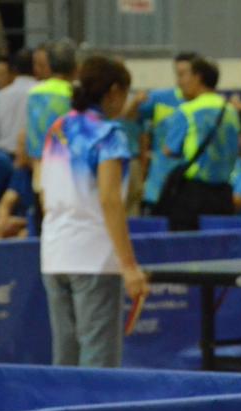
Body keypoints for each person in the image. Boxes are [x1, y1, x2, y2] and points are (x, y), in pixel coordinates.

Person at [40, 55, 150, 367]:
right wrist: (129, 265)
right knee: (98, 362)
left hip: (54, 254)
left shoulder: (58, 128)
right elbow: (110, 199)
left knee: (66, 359)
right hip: (93, 258)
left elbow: (43, 189)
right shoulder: (109, 134)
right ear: (113, 91)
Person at [162, 57, 240, 229]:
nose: (180, 82)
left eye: (184, 75)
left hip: (194, 195)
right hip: (224, 194)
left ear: (198, 77)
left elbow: (169, 150)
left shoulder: (187, 110)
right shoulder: (231, 111)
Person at [135, 51, 195, 214]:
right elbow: (130, 119)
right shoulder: (158, 98)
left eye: (185, 74)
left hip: (190, 189)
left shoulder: (206, 107)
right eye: (178, 74)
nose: (181, 80)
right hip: (158, 188)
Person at [26, 40, 76, 177]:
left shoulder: (34, 93)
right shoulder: (74, 93)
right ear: (75, 67)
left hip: (39, 163)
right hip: (66, 165)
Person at [0, 48, 36, 156]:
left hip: (2, 155)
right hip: (30, 156)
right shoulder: (42, 95)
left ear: (14, 70)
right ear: (35, 67)